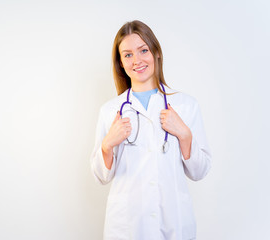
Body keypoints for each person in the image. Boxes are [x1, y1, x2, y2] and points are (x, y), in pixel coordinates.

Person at [90, 20, 211, 240]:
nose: (137, 60)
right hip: (126, 226)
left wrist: (184, 134)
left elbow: (200, 171)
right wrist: (107, 144)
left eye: (143, 50)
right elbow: (100, 176)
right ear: (121, 63)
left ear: (156, 52)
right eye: (127, 55)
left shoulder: (185, 105)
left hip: (173, 222)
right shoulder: (110, 111)